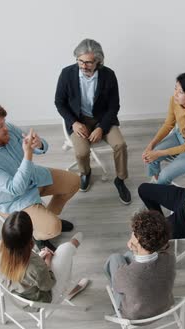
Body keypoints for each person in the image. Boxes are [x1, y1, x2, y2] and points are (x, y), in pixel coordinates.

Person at [0, 102, 79, 251]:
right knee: (54, 228)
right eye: (0, 127)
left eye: (4, 123)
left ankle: (45, 219)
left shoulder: (6, 130)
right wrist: (28, 155)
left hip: (32, 177)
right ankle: (38, 234)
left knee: (74, 181)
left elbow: (34, 144)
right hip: (14, 199)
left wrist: (38, 144)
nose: (6, 127)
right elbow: (16, 189)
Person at [55, 38, 131, 204]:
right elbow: (59, 102)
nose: (83, 66)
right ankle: (86, 173)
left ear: (98, 60)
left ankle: (120, 179)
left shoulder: (109, 75)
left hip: (103, 119)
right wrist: (74, 123)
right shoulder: (67, 73)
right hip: (78, 120)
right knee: (82, 152)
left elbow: (114, 106)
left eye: (88, 62)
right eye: (80, 61)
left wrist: (101, 128)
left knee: (120, 145)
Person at [0, 211, 89, 311]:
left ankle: (68, 282)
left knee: (62, 254)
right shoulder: (35, 267)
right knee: (66, 248)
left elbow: (24, 269)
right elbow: (49, 284)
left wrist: (39, 259)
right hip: (39, 303)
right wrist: (47, 260)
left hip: (14, 295)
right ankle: (69, 288)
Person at [104, 210, 175, 320]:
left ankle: (115, 305)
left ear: (135, 243)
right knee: (127, 255)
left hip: (136, 317)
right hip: (164, 306)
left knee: (115, 258)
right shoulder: (170, 258)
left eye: (133, 234)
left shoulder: (125, 275)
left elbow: (118, 288)